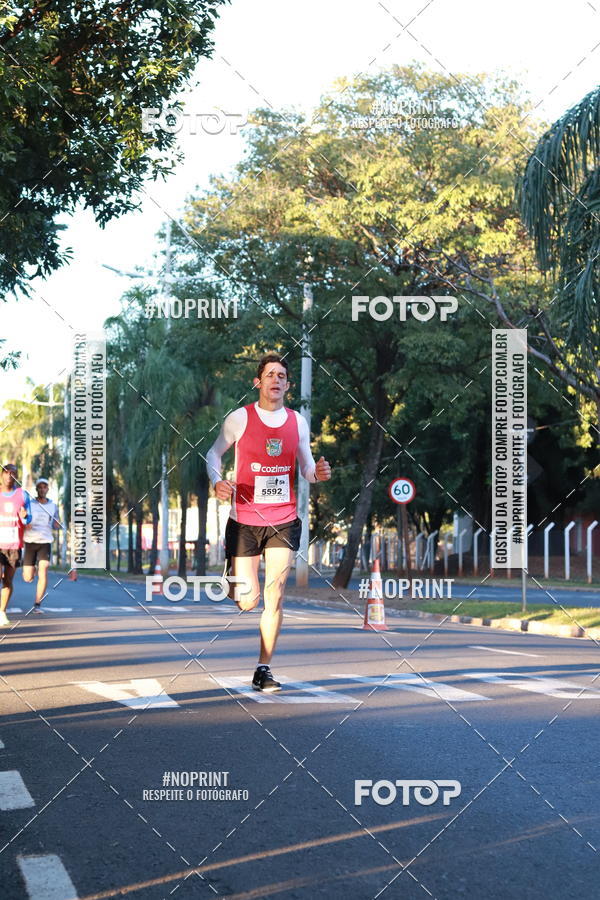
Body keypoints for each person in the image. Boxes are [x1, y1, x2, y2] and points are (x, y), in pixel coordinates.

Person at [206, 353, 332, 691]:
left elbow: (306, 468)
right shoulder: (240, 419)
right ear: (258, 382)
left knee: (275, 595)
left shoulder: (298, 422)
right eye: (270, 374)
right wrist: (217, 481)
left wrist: (317, 474)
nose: (275, 380)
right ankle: (233, 572)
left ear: (288, 385)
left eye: (281, 376)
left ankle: (264, 669)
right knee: (248, 600)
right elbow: (213, 452)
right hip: (244, 519)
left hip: (283, 518)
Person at [0, 463, 32, 627]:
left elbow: (29, 519)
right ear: (2, 475)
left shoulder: (23, 495)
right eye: (6, 472)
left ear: (16, 477)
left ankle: (2, 611)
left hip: (14, 544)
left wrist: (25, 517)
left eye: (12, 473)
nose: (9, 476)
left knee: (8, 581)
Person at [22, 477, 61, 612]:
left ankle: (37, 604)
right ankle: (31, 574)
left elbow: (57, 523)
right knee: (27, 577)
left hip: (45, 542)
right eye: (40, 487)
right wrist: (25, 521)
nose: (42, 489)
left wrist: (57, 524)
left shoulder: (53, 506)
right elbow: (23, 519)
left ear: (47, 489)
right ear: (37, 489)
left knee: (43, 571)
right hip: (30, 541)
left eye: (45, 487)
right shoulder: (30, 504)